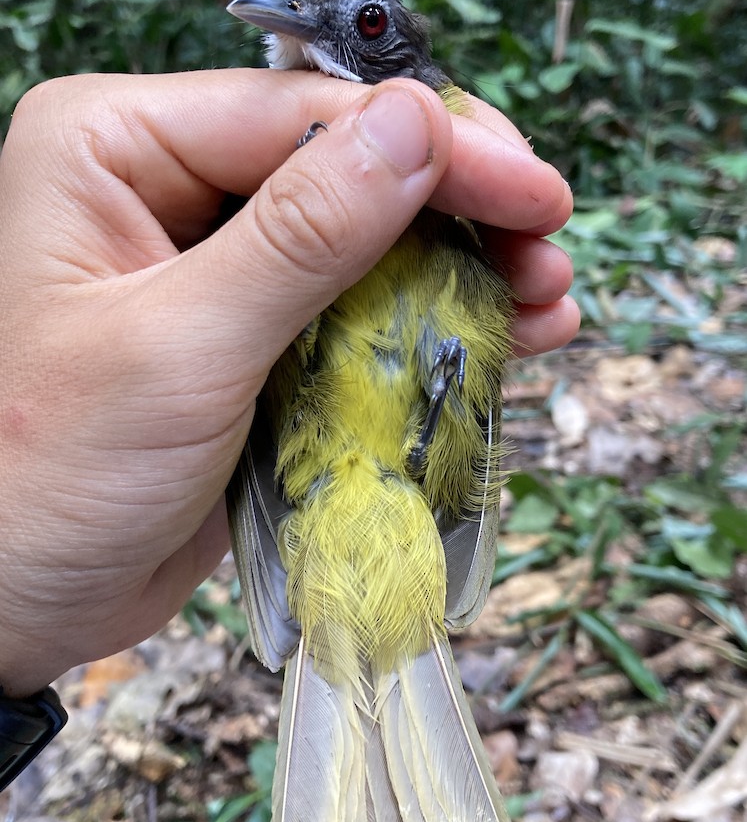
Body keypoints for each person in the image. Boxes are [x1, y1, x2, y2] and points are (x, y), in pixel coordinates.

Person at [0, 69, 577, 699]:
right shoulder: (280, 179)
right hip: (328, 498)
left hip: (386, 496)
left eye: (369, 21)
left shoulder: (443, 203)